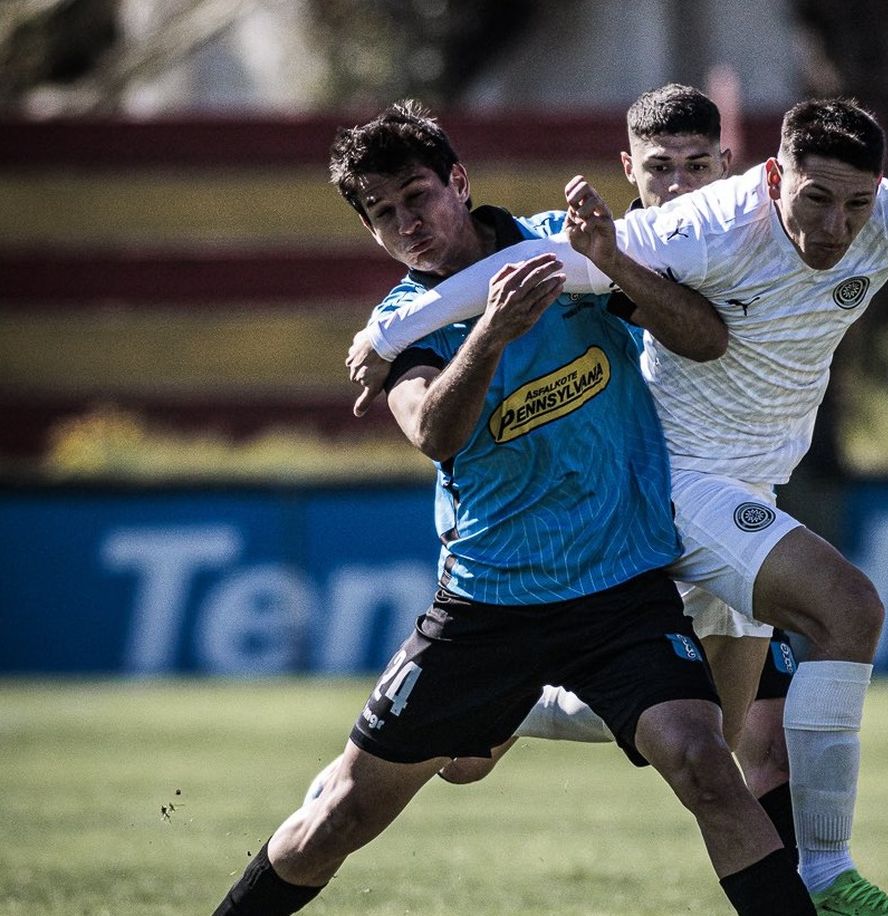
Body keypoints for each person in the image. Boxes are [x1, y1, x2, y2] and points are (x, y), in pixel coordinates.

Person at [345, 96, 888, 916]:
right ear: (771, 174)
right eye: (815, 199)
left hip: (751, 482)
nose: (834, 227)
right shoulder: (709, 222)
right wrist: (389, 334)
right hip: (672, 482)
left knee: (710, 727)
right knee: (848, 610)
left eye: (855, 205)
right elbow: (526, 265)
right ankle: (827, 875)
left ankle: (520, 703)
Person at [213, 100, 817, 915]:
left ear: (458, 183)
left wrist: (615, 263)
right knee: (341, 815)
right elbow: (433, 432)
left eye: (417, 195)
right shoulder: (401, 325)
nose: (407, 224)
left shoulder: (557, 251)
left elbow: (704, 337)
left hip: (621, 590)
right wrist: (490, 333)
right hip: (490, 604)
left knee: (709, 766)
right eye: (382, 214)